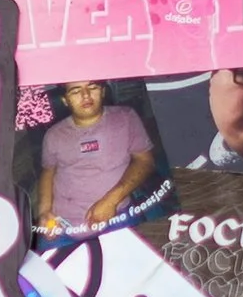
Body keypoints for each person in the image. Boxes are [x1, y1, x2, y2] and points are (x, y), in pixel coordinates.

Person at [33, 80, 160, 237]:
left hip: (116, 214)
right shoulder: (53, 135)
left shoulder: (126, 118)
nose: (85, 95)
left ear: (103, 91)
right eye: (75, 91)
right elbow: (48, 171)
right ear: (65, 100)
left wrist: (111, 200)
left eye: (92, 87)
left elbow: (145, 161)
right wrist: (45, 212)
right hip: (62, 223)